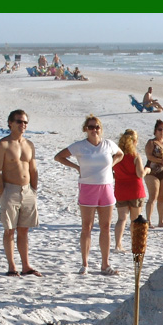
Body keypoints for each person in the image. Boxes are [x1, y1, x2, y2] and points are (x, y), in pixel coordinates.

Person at [55, 116, 117, 276]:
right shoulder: (80, 146)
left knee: (105, 226)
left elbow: (120, 154)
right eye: (90, 127)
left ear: (100, 128)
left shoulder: (108, 144)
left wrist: (111, 165)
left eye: (96, 127)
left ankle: (105, 264)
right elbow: (59, 157)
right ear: (85, 129)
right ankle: (85, 264)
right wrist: (77, 167)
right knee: (86, 227)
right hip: (88, 187)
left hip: (106, 187)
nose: (94, 130)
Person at [0, 110, 40, 278]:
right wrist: (2, 192)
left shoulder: (29, 144)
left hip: (27, 191)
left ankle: (26, 265)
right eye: (19, 121)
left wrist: (34, 189)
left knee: (24, 230)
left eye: (25, 122)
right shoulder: (2, 145)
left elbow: (33, 168)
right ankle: (12, 266)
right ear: (10, 123)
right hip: (9, 190)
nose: (23, 125)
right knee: (9, 229)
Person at [112, 129, 146, 253]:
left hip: (121, 188)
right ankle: (135, 244)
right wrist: (147, 170)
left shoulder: (117, 155)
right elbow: (140, 173)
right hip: (135, 189)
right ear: (135, 141)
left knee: (121, 219)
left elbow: (111, 173)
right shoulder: (135, 156)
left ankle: (117, 245)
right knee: (135, 219)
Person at [144, 121, 163, 223]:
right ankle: (149, 220)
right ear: (155, 131)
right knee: (153, 197)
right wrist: (161, 161)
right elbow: (149, 156)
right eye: (160, 129)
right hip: (152, 172)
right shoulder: (151, 142)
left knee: (162, 197)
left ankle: (161, 221)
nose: (162, 131)